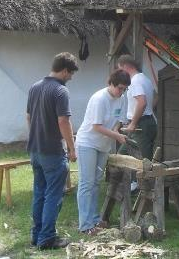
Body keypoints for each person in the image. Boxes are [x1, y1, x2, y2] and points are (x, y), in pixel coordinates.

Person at [26, 52, 78, 250]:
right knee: (53, 195)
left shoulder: (35, 87)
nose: (71, 77)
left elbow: (28, 117)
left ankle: (36, 235)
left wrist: (35, 136)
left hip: (35, 150)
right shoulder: (60, 91)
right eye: (71, 73)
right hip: (53, 152)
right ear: (64, 70)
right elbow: (63, 121)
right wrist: (71, 148)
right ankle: (47, 238)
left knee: (39, 192)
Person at [75, 69, 131, 234]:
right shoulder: (99, 99)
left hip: (103, 145)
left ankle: (94, 220)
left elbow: (118, 121)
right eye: (119, 88)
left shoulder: (121, 99)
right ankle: (85, 225)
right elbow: (96, 127)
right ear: (111, 83)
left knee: (96, 182)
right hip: (88, 143)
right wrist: (116, 136)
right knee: (86, 182)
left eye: (124, 89)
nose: (121, 92)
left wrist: (115, 132)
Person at [117, 55, 157, 161]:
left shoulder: (134, 81)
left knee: (143, 161)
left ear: (125, 66)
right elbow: (155, 98)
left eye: (120, 69)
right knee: (122, 156)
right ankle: (132, 178)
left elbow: (142, 102)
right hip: (147, 121)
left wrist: (133, 122)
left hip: (140, 125)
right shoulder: (145, 79)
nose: (120, 73)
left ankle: (146, 178)